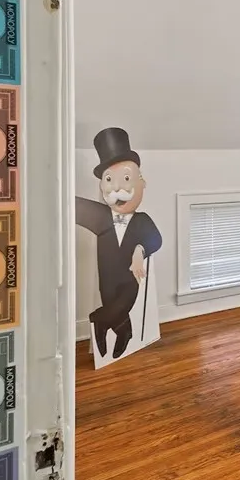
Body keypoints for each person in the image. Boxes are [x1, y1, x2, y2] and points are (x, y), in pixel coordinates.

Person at [76, 127, 162, 359]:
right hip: (108, 279)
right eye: (109, 181)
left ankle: (99, 320)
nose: (118, 189)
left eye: (126, 179)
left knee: (124, 303)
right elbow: (69, 205)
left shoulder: (142, 220)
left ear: (141, 183)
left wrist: (139, 250)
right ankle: (124, 331)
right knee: (116, 309)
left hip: (130, 278)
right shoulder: (100, 216)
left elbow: (156, 239)